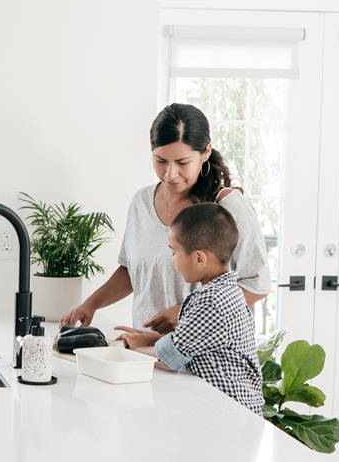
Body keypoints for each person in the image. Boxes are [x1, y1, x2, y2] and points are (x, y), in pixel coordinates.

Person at [59, 103, 271, 335]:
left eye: (182, 163)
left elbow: (257, 286)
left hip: (204, 359)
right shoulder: (141, 202)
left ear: (206, 153)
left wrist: (187, 313)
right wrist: (91, 304)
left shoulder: (228, 207)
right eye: (160, 161)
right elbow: (133, 271)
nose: (170, 174)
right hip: (145, 351)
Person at [121, 203, 265, 415]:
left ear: (199, 258)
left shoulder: (212, 302)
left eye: (174, 253)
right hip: (227, 408)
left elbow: (171, 357)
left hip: (227, 411)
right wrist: (147, 339)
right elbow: (190, 341)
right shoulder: (227, 292)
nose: (173, 261)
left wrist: (137, 351)